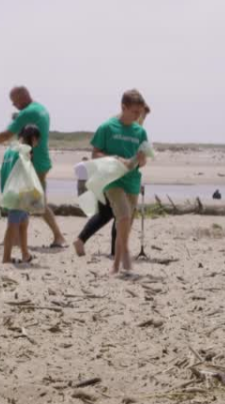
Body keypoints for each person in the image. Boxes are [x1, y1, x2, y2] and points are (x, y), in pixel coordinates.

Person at [0, 86, 68, 248]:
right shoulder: (40, 108)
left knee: (23, 200)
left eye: (14, 102)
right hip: (41, 161)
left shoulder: (27, 113)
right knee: (32, 201)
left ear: (22, 97)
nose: (14, 105)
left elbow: (6, 135)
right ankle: (19, 237)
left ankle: (55, 237)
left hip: (33, 162)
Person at [74, 104, 150, 258]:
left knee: (106, 213)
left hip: (110, 177)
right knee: (118, 214)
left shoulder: (129, 126)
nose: (141, 119)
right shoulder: (120, 125)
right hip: (111, 178)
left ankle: (81, 240)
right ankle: (115, 251)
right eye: (142, 115)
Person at [90, 89, 149, 276]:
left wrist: (140, 159)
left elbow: (144, 161)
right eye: (134, 112)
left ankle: (116, 265)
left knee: (125, 225)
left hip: (132, 181)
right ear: (123, 107)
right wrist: (115, 158)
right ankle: (125, 253)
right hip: (112, 181)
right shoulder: (107, 127)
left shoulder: (140, 132)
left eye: (140, 113)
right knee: (122, 216)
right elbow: (95, 154)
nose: (138, 116)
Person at [0, 124, 42, 265]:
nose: (37, 144)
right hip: (19, 193)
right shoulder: (24, 151)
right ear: (33, 138)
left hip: (10, 190)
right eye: (37, 140)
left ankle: (25, 254)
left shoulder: (10, 150)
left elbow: (3, 171)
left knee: (23, 223)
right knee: (13, 226)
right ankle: (6, 258)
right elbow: (27, 174)